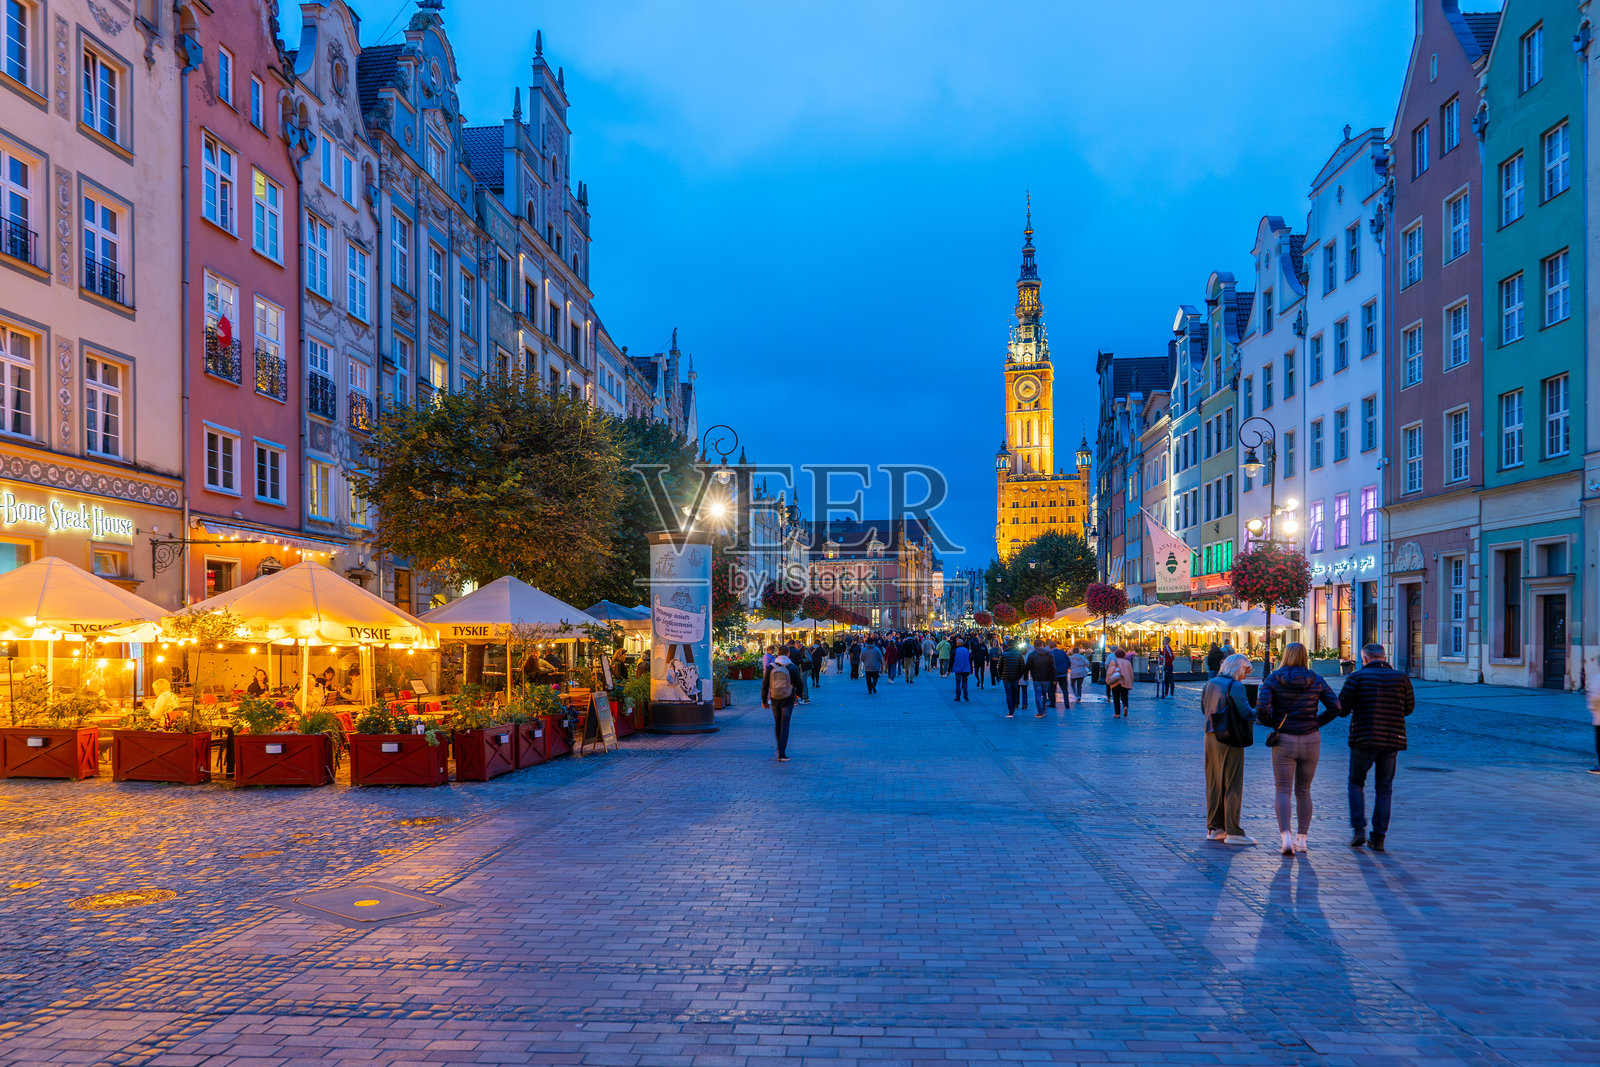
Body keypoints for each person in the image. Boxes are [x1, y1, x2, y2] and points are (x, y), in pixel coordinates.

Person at [1255, 641, 1341, 856]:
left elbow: (1262, 709)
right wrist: (1316, 722)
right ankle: (1302, 839)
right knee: (1304, 790)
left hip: (1285, 739)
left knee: (1283, 789)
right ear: (1305, 656)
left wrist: (1274, 723)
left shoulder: (1274, 678)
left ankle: (1285, 837)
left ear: (1285, 655)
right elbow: (1335, 707)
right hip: (1311, 737)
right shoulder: (1316, 678)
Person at [1335, 642, 1415, 852]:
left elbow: (1341, 709)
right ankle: (1378, 836)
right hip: (1391, 739)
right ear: (1384, 657)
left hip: (1363, 737)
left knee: (1356, 784)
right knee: (1384, 788)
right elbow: (1408, 708)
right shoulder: (1401, 678)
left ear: (1365, 659)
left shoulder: (1356, 678)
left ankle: (1358, 828)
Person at [1201, 654, 1257, 845]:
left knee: (1214, 782)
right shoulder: (1236, 686)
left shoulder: (1210, 683)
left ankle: (1215, 828)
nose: (1244, 676)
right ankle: (1233, 830)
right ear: (1238, 669)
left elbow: (1204, 709)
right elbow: (1246, 712)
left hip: (1210, 736)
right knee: (1232, 782)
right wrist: (1262, 710)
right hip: (1230, 737)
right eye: (1245, 671)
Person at [761, 647, 807, 761]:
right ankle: (782, 753)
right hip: (788, 698)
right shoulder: (792, 667)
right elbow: (800, 684)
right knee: (785, 723)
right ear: (788, 654)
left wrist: (764, 701)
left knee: (777, 722)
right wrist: (798, 695)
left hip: (775, 698)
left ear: (778, 654)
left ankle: (778, 748)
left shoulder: (770, 667)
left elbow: (765, 684)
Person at [1024, 639, 1056, 718]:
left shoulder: (1032, 655)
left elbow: (1027, 666)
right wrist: (1054, 678)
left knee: (1038, 695)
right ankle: (1044, 709)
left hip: (1036, 678)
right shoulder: (1048, 654)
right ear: (1042, 645)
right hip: (1046, 678)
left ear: (1034, 645)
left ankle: (1040, 711)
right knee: (1044, 694)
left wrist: (1025, 676)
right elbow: (1052, 667)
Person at [998, 639, 1026, 717]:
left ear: (1007, 645)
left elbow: (999, 667)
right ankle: (1014, 706)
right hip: (1015, 677)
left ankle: (1011, 711)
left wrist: (1000, 676)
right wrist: (1019, 676)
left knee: (1009, 694)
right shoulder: (1019, 654)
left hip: (1006, 677)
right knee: (1015, 692)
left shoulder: (1004, 654)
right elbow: (1022, 667)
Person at [1104, 647, 1133, 718]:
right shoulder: (1128, 663)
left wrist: (1108, 680)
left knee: (1116, 697)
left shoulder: (1114, 662)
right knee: (1125, 696)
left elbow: (1110, 672)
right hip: (1125, 681)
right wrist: (1131, 681)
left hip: (1116, 681)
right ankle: (1125, 706)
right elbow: (1131, 673)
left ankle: (1117, 713)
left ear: (1116, 655)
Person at [1049, 640, 1072, 707]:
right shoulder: (1062, 652)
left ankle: (1052, 703)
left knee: (1052, 690)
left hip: (1053, 675)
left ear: (1050, 647)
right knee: (1064, 689)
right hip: (1063, 674)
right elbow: (1068, 661)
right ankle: (1067, 704)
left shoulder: (1049, 653)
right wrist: (1067, 668)